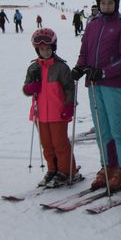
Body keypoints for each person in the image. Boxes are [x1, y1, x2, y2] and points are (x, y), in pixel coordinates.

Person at [72, 0, 121, 190]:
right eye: (103, 3)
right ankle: (108, 165)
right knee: (102, 129)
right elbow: (84, 51)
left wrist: (104, 72)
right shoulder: (93, 24)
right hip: (93, 83)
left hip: (114, 84)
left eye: (110, 3)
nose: (106, 6)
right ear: (98, 4)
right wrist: (80, 67)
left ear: (116, 4)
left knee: (118, 128)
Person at [23, 28, 82, 187]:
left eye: (48, 48)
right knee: (47, 144)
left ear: (53, 48)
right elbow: (26, 88)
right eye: (42, 49)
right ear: (37, 50)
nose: (46, 51)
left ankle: (67, 170)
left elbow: (69, 88)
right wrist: (30, 88)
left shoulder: (61, 67)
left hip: (58, 112)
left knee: (60, 143)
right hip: (40, 113)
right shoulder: (33, 68)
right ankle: (53, 169)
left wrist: (69, 105)